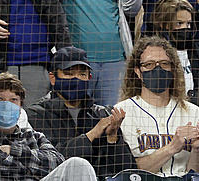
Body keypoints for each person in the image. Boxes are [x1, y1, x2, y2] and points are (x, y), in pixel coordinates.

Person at [25, 46, 136, 178]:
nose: (76, 79)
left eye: (82, 74)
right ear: (53, 78)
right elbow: (49, 161)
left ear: (89, 77)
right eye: (69, 74)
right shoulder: (36, 115)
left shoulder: (102, 114)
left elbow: (127, 170)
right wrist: (91, 135)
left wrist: (113, 139)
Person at [115, 36, 199, 177]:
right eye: (149, 64)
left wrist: (197, 150)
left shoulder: (194, 112)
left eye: (164, 63)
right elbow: (127, 173)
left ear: (173, 69)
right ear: (138, 71)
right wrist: (172, 148)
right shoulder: (122, 113)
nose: (158, 68)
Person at [0, 71, 97, 181]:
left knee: (78, 165)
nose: (6, 105)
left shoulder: (34, 137)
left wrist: (15, 150)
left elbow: (57, 162)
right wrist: (34, 166)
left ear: (20, 107)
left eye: (13, 100)